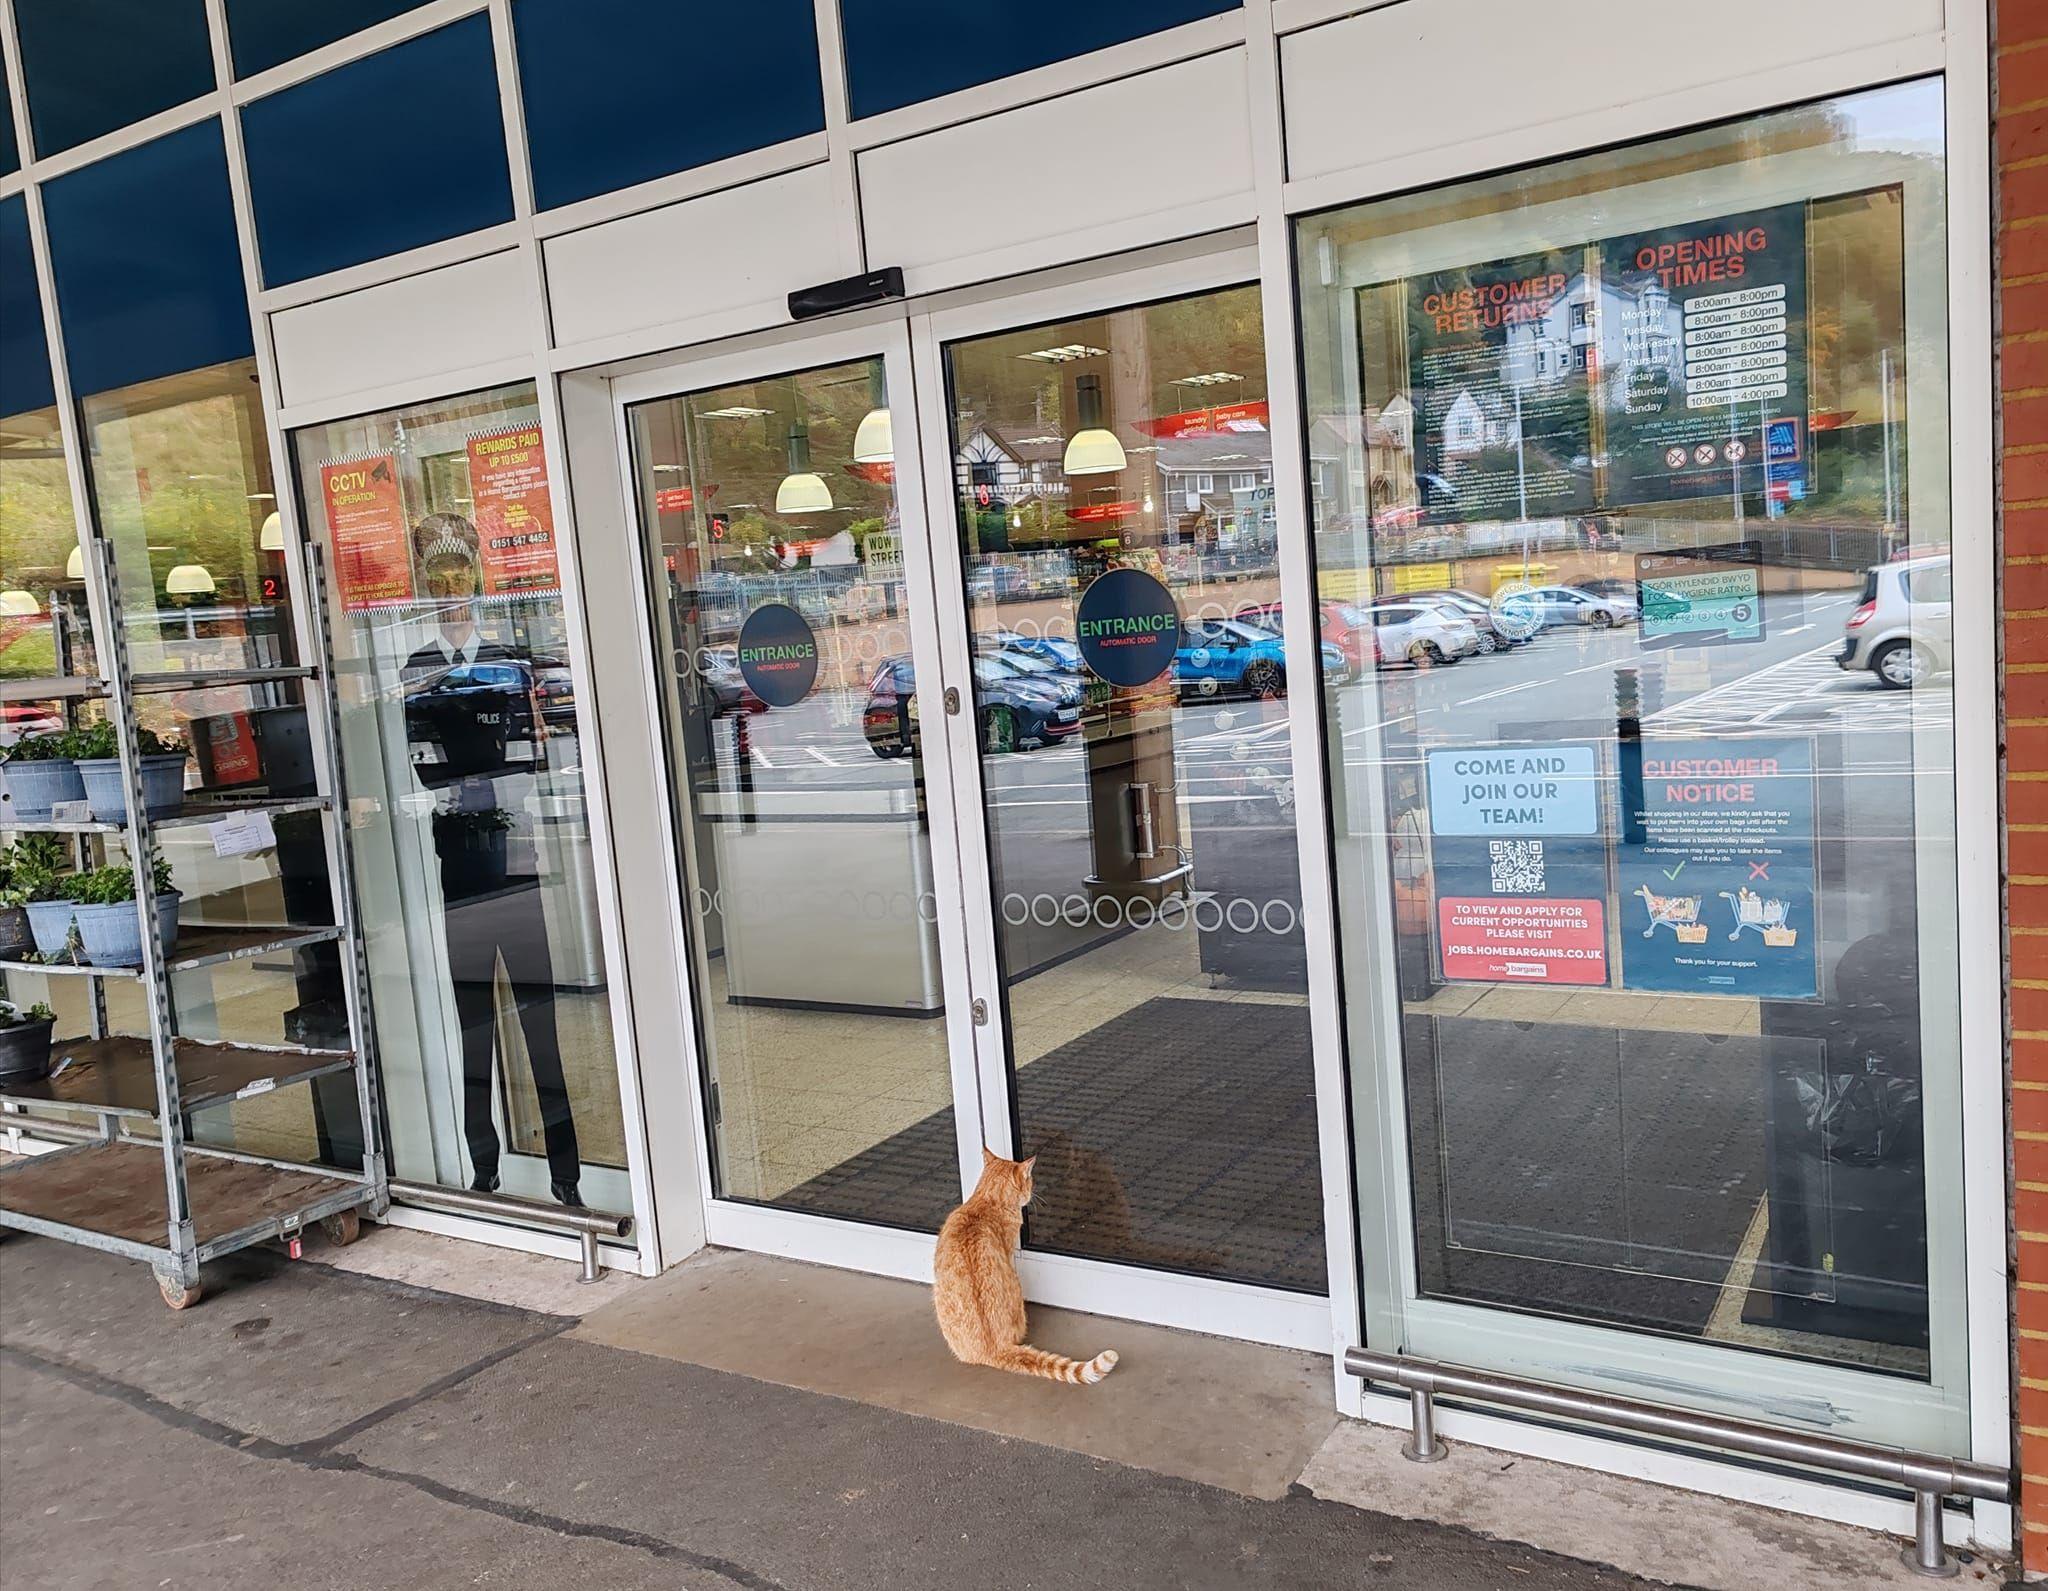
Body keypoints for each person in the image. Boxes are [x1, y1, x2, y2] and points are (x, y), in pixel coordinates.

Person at [401, 512, 583, 1206]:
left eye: (459, 572)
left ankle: (564, 1171)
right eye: (437, 574)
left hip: (519, 853)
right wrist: (472, 779)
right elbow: (421, 771)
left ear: (475, 579)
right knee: (473, 1019)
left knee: (540, 1016)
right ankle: (484, 1168)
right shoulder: (418, 669)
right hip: (461, 863)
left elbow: (532, 755)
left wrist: (473, 776)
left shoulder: (510, 658)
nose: (450, 587)